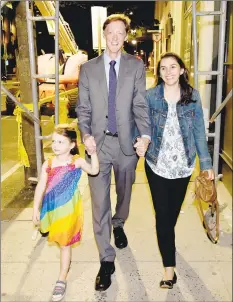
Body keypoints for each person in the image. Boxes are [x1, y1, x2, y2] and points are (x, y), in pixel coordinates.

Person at [76, 14, 151, 291]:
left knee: (125, 193)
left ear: (125, 36)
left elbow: (140, 105)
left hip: (126, 145)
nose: (116, 37)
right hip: (97, 146)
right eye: (111, 32)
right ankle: (106, 259)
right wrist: (85, 135)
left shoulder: (135, 66)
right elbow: (83, 109)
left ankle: (119, 222)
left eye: (121, 33)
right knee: (99, 203)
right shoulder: (88, 69)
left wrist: (144, 136)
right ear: (104, 35)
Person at [144, 52, 215, 289]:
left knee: (170, 217)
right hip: (156, 164)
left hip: (183, 166)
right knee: (163, 217)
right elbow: (141, 126)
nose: (168, 72)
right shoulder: (151, 96)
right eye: (163, 68)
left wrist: (205, 165)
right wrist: (139, 140)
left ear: (182, 70)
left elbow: (198, 133)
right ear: (159, 72)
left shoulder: (193, 97)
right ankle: (169, 270)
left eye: (173, 67)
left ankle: (167, 239)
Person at [32, 124, 99, 301]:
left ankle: (62, 277)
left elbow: (94, 171)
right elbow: (40, 186)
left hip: (69, 209)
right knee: (58, 238)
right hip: (51, 207)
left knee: (64, 243)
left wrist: (93, 155)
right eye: (54, 141)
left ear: (72, 144)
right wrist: (35, 208)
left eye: (60, 142)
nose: (55, 145)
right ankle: (64, 268)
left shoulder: (75, 161)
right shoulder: (49, 163)